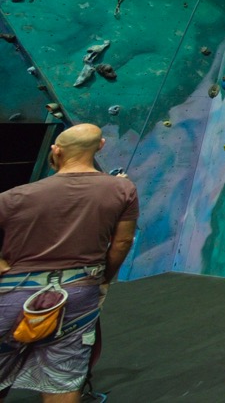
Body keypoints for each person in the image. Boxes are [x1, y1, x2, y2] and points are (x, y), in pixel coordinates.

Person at [0, 123, 138, 403]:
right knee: (62, 381)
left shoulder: (14, 197)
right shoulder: (122, 190)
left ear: (56, 150)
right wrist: (103, 279)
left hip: (13, 290)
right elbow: (122, 243)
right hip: (78, 290)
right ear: (100, 147)